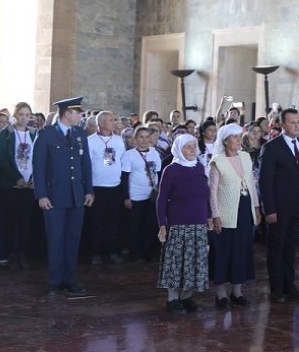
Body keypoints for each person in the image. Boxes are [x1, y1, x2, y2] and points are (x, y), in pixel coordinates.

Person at [32, 97, 94, 295]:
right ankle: (54, 280)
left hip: (76, 196)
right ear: (67, 113)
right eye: (78, 113)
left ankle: (69, 279)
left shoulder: (80, 135)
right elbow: (39, 167)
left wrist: (89, 190)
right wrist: (41, 194)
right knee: (56, 238)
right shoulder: (46, 135)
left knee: (72, 239)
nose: (81, 116)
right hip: (54, 196)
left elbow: (86, 165)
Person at [257, 108, 299, 303]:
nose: (297, 125)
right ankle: (276, 289)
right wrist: (269, 209)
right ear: (282, 125)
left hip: (297, 207)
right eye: (292, 122)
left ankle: (290, 285)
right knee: (276, 248)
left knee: (290, 248)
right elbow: (265, 182)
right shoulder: (272, 147)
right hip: (278, 209)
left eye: (298, 122)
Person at [156, 134, 212, 314]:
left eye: (194, 146)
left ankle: (186, 296)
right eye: (188, 147)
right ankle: (172, 300)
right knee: (175, 263)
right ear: (179, 149)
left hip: (199, 224)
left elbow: (206, 195)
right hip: (178, 224)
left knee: (195, 263)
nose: (192, 150)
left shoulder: (199, 166)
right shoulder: (171, 170)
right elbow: (161, 199)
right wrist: (162, 224)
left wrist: (209, 216)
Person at [208, 123, 260, 308]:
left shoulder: (246, 157)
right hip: (225, 213)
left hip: (245, 209)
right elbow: (212, 192)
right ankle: (221, 294)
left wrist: (256, 207)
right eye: (235, 137)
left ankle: (237, 292)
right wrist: (215, 215)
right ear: (225, 140)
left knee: (242, 250)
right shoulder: (217, 161)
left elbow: (252, 184)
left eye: (240, 136)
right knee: (223, 252)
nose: (239, 140)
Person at [0, 102, 37, 269]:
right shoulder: (6, 133)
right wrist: (16, 178)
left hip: (29, 185)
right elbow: (1, 157)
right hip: (11, 185)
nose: (24, 118)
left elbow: (39, 157)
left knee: (26, 221)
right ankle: (10, 253)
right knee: (10, 221)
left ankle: (22, 253)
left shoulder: (34, 134)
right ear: (15, 115)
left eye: (27, 115)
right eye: (21, 115)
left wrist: (34, 178)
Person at [87, 110, 127, 264]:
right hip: (97, 187)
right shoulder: (90, 140)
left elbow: (121, 160)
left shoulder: (118, 140)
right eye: (110, 120)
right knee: (97, 222)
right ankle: (96, 252)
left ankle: (111, 251)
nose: (114, 122)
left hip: (114, 186)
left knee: (113, 221)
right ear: (102, 123)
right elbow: (87, 165)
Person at [120, 126, 162, 263]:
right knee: (135, 226)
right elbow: (125, 177)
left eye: (146, 137)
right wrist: (126, 197)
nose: (144, 140)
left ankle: (147, 252)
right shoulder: (129, 155)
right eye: (141, 137)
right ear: (135, 139)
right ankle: (136, 253)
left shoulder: (155, 153)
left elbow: (159, 174)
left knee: (149, 225)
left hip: (151, 196)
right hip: (135, 196)